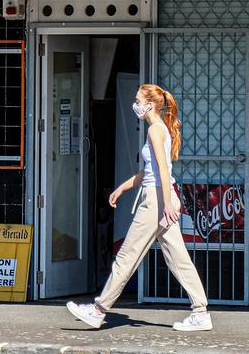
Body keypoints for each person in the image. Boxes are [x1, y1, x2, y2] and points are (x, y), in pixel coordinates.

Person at [66, 83, 212, 332]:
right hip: (159, 197)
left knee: (127, 256)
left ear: (150, 104)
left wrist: (166, 203)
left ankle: (98, 310)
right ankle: (200, 312)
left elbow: (163, 171)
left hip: (156, 200)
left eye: (138, 100)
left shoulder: (155, 130)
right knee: (177, 257)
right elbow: (150, 171)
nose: (135, 104)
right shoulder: (159, 129)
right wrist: (122, 188)